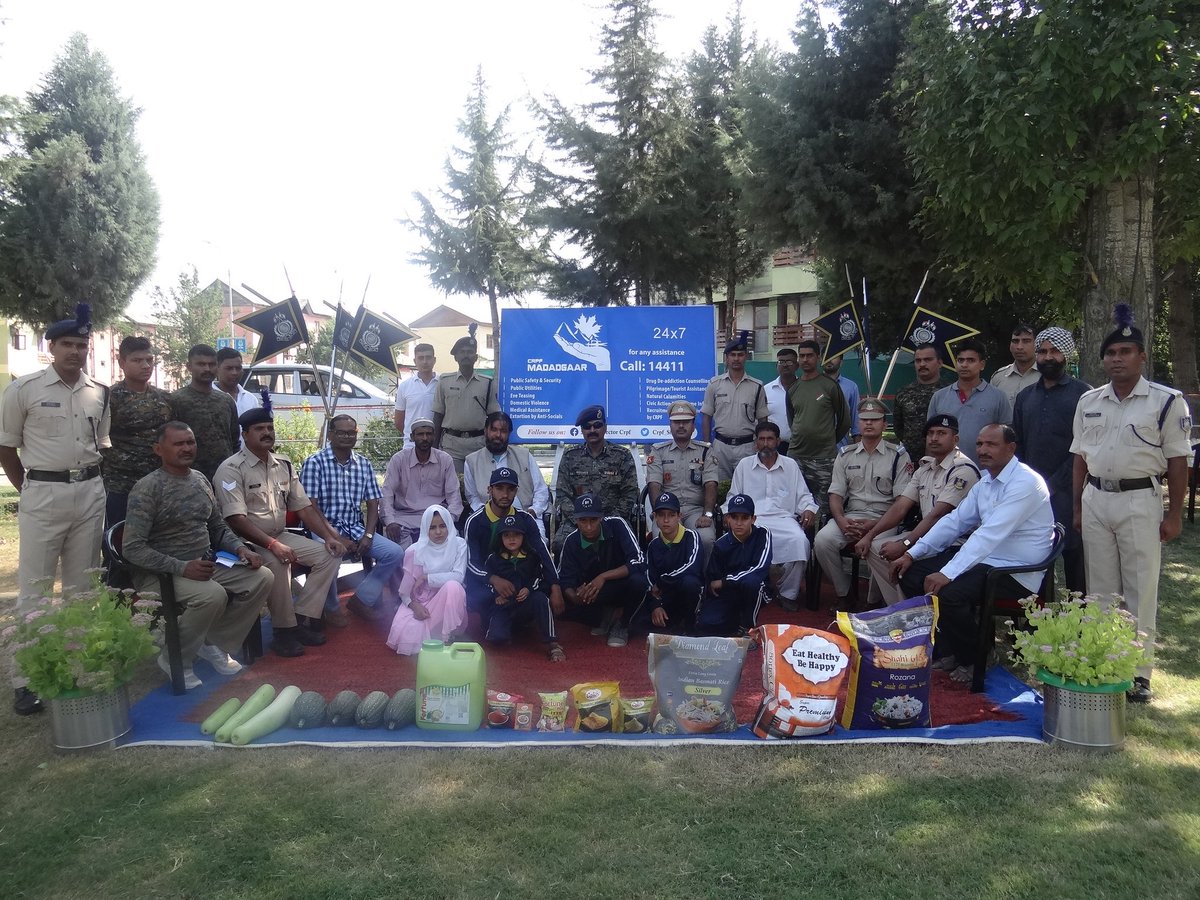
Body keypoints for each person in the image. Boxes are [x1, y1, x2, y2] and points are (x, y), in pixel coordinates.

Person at [1071, 306, 1191, 703]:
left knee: (1140, 587)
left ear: (1142, 356)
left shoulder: (1166, 402)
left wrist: (1174, 513)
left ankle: (1138, 674)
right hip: (1096, 498)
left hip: (1140, 499)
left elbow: (1177, 461)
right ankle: (1103, 661)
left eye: (1126, 351)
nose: (1117, 359)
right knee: (1100, 590)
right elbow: (1079, 457)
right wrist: (1077, 507)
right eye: (1111, 353)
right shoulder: (1089, 401)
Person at [0, 306, 110, 715]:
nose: (76, 351)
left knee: (83, 586)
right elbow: (6, 448)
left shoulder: (99, 392)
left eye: (82, 345)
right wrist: (30, 488)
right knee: (37, 587)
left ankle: (76, 665)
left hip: (89, 491)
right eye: (68, 344)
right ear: (52, 346)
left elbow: (101, 445)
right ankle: (28, 679)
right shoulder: (24, 390)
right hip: (43, 492)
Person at [891, 424, 1054, 685]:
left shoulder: (1026, 482)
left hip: (1016, 571)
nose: (983, 450)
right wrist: (912, 553)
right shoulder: (987, 481)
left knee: (950, 593)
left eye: (991, 444)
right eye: (979, 444)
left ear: (1011, 448)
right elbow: (954, 521)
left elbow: (989, 533)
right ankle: (949, 650)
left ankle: (978, 656)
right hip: (984, 560)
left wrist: (947, 573)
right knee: (910, 574)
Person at [122, 422, 273, 690]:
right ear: (159, 449)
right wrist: (181, 567)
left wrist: (240, 548)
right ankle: (175, 657)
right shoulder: (148, 488)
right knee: (211, 595)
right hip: (162, 573)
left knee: (261, 577)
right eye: (178, 443)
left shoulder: (200, 479)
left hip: (206, 563)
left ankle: (211, 642)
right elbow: (132, 548)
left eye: (190, 442)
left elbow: (217, 526)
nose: (186, 448)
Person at [214, 405, 348, 658]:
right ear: (245, 434)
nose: (267, 433)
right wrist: (273, 545)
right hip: (245, 541)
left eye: (270, 428)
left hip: (279, 534)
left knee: (328, 555)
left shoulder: (283, 464)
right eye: (259, 429)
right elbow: (236, 519)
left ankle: (300, 619)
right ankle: (283, 632)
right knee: (278, 562)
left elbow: (305, 508)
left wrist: (330, 537)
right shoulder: (231, 469)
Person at [855, 414, 980, 606]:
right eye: (930, 433)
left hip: (954, 543)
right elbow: (900, 507)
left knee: (897, 555)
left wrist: (905, 543)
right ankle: (899, 607)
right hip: (926, 537)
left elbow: (938, 515)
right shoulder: (925, 468)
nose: (934, 438)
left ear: (955, 439)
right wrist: (870, 535)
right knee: (874, 547)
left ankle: (909, 611)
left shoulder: (962, 470)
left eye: (941, 433)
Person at [300, 414, 406, 625]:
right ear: (331, 434)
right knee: (329, 552)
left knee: (394, 553)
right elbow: (311, 506)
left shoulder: (363, 464)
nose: (347, 436)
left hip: (354, 526)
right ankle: (331, 608)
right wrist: (336, 537)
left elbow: (373, 502)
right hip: (322, 528)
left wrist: (368, 535)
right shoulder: (314, 463)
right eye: (341, 432)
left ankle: (361, 599)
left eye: (352, 432)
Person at [812, 398, 912, 609]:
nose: (869, 423)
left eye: (875, 420)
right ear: (858, 423)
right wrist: (840, 520)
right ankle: (844, 593)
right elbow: (836, 494)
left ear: (885, 425)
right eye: (864, 419)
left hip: (885, 519)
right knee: (822, 540)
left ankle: (874, 602)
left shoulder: (898, 457)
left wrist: (873, 527)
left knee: (880, 548)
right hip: (851, 517)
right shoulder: (845, 455)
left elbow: (901, 502)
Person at [1012, 327, 1091, 594]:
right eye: (1043, 351)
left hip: (1072, 491)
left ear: (1066, 355)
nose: (1048, 357)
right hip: (1033, 493)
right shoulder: (1025, 397)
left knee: (1074, 555)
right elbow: (1018, 445)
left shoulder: (1084, 395)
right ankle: (1036, 620)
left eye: (1054, 351)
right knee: (1036, 555)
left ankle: (1079, 621)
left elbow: (1084, 447)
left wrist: (1055, 482)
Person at [463, 467, 564, 639]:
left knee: (540, 588)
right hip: (489, 581)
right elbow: (471, 562)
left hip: (520, 581)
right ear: (489, 490)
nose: (505, 494)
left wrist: (555, 587)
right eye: (499, 488)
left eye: (510, 489)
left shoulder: (525, 519)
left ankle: (522, 620)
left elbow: (542, 553)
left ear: (516, 491)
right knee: (475, 596)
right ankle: (494, 619)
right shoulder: (475, 521)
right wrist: (494, 580)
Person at [729, 421, 818, 610]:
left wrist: (809, 509)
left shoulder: (790, 465)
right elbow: (733, 497)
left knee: (800, 541)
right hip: (751, 520)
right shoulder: (744, 465)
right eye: (761, 439)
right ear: (755, 443)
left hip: (784, 519)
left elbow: (804, 496)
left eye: (770, 439)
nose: (765, 443)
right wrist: (734, 518)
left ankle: (787, 592)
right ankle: (750, 589)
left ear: (778, 441)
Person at [558, 493, 648, 648]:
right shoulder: (571, 541)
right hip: (593, 593)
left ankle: (623, 624)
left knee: (639, 581)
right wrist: (575, 596)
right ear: (576, 520)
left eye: (593, 520)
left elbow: (639, 561)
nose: (588, 526)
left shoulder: (617, 525)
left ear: (601, 517)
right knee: (560, 603)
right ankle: (606, 615)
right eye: (583, 520)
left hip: (621, 585)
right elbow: (565, 579)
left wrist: (603, 577)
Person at [102, 335, 173, 528]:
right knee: (118, 539)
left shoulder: (164, 398)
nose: (145, 366)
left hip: (158, 483)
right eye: (137, 360)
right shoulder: (109, 399)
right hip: (120, 485)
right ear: (122, 362)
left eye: (149, 360)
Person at [552, 404, 639, 550]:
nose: (592, 430)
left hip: (613, 520)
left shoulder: (622, 456)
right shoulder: (570, 456)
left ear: (605, 427)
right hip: (577, 520)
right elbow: (562, 495)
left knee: (623, 545)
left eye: (597, 425)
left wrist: (604, 523)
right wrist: (582, 522)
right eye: (587, 427)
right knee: (561, 544)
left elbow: (630, 494)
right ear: (582, 430)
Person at [386, 505, 468, 655]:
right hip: (421, 601)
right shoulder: (415, 551)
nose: (438, 532)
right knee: (408, 634)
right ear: (424, 529)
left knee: (453, 586)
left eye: (443, 526)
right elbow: (404, 592)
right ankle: (435, 634)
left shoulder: (459, 544)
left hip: (448, 599)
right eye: (432, 527)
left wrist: (427, 578)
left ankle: (447, 636)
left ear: (449, 524)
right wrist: (414, 606)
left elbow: (458, 576)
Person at [482, 514, 565, 660]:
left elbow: (540, 577)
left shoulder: (532, 556)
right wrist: (496, 594)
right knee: (496, 639)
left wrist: (529, 589)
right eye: (506, 535)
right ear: (500, 538)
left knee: (541, 599)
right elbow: (485, 581)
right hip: (504, 605)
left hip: (525, 603)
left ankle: (552, 643)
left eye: (516, 535)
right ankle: (509, 631)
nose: (511, 539)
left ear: (523, 536)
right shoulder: (493, 559)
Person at [786, 339, 851, 515]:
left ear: (818, 358)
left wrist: (829, 439)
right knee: (795, 505)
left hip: (824, 458)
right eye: (802, 356)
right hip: (797, 456)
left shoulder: (830, 386)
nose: (805, 359)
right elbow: (792, 420)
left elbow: (845, 420)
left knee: (824, 509)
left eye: (810, 356)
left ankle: (820, 541)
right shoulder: (793, 388)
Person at [644, 400, 717, 555]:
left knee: (706, 538)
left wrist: (707, 514)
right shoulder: (658, 451)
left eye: (686, 422)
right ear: (670, 426)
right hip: (667, 511)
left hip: (696, 511)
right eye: (677, 422)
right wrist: (660, 513)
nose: (681, 426)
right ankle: (665, 578)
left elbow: (711, 483)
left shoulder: (705, 451)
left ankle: (705, 579)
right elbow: (654, 485)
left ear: (693, 425)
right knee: (661, 536)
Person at [379, 417, 464, 549]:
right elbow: (387, 493)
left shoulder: (444, 460)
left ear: (434, 436)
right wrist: (390, 522)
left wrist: (449, 520)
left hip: (436, 518)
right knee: (395, 553)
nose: (425, 438)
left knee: (455, 547)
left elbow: (454, 495)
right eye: (420, 434)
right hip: (404, 518)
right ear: (412, 437)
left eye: (428, 434)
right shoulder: (399, 460)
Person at [926, 338, 1011, 466]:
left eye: (970, 360)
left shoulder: (998, 397)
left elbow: (1007, 438)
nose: (964, 365)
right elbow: (930, 437)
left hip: (985, 472)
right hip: (946, 472)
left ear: (982, 364)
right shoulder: (939, 396)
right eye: (960, 360)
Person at [696, 494, 771, 637]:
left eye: (744, 518)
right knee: (706, 625)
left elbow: (759, 568)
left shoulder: (763, 534)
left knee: (752, 581)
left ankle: (749, 628)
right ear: (728, 519)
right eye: (735, 517)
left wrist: (725, 581)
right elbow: (712, 582)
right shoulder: (720, 545)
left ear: (753, 519)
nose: (739, 522)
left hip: (755, 589)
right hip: (729, 593)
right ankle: (734, 619)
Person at [463, 411, 550, 535]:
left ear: (509, 434)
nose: (498, 435)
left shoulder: (524, 456)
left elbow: (541, 490)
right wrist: (486, 514)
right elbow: (472, 497)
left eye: (503, 431)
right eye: (494, 430)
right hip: (489, 520)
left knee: (537, 545)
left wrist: (534, 510)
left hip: (525, 516)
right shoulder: (471, 461)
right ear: (485, 431)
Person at [630, 491, 703, 636]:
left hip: (686, 594)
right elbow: (650, 579)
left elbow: (692, 566)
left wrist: (663, 581)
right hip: (666, 597)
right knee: (637, 625)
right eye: (661, 515)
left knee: (690, 582)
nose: (666, 520)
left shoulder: (691, 537)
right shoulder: (654, 545)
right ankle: (671, 624)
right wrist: (656, 605)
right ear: (655, 517)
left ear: (679, 516)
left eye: (671, 515)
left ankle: (690, 624)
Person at [700, 333, 769, 481]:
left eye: (740, 354)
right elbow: (706, 417)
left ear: (746, 357)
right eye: (732, 355)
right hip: (720, 447)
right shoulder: (714, 384)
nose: (736, 358)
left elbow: (763, 421)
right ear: (726, 358)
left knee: (748, 488)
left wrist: (761, 444)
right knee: (719, 488)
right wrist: (708, 446)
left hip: (747, 447)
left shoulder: (757, 386)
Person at [432, 330, 500, 472]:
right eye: (461, 352)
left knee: (478, 487)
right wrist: (433, 448)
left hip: (478, 444)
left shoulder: (487, 383)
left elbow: (493, 417)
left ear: (475, 357)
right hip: (451, 445)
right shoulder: (444, 381)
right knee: (454, 487)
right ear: (456, 357)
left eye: (469, 352)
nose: (465, 355)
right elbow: (438, 416)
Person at [170, 344, 239, 482]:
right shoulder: (176, 400)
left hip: (225, 476)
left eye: (212, 364)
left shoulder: (226, 401)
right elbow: (169, 442)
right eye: (201, 364)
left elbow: (234, 441)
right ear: (189, 366)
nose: (207, 369)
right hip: (188, 477)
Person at [892, 343, 947, 463]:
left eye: (928, 359)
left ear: (940, 362)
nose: (922, 364)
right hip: (910, 461)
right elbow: (898, 427)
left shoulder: (950, 392)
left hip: (943, 461)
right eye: (918, 360)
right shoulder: (903, 393)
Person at [394, 342, 439, 438]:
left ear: (434, 360)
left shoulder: (442, 383)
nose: (425, 361)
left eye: (428, 357)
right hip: (411, 444)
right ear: (415, 361)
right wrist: (414, 436)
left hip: (436, 443)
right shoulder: (405, 386)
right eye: (421, 358)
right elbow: (398, 421)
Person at [990, 324, 1040, 404]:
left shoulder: (1047, 377)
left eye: (1026, 341)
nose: (1019, 347)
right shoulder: (999, 377)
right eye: (1015, 341)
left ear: (1037, 345)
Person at [764, 348, 798, 455]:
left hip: (800, 446)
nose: (785, 365)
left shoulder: (804, 389)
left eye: (789, 362)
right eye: (781, 362)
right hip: (774, 447)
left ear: (797, 365)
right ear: (776, 366)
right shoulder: (766, 390)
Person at [823, 355, 861, 449]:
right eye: (826, 356)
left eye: (834, 356)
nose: (829, 360)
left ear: (841, 362)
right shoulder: (812, 385)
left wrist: (857, 450)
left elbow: (856, 422)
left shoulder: (851, 387)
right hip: (815, 450)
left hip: (841, 448)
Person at [214, 347, 262, 421]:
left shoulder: (251, 399)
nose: (234, 373)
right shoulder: (206, 398)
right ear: (216, 369)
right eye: (229, 368)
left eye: (238, 368)